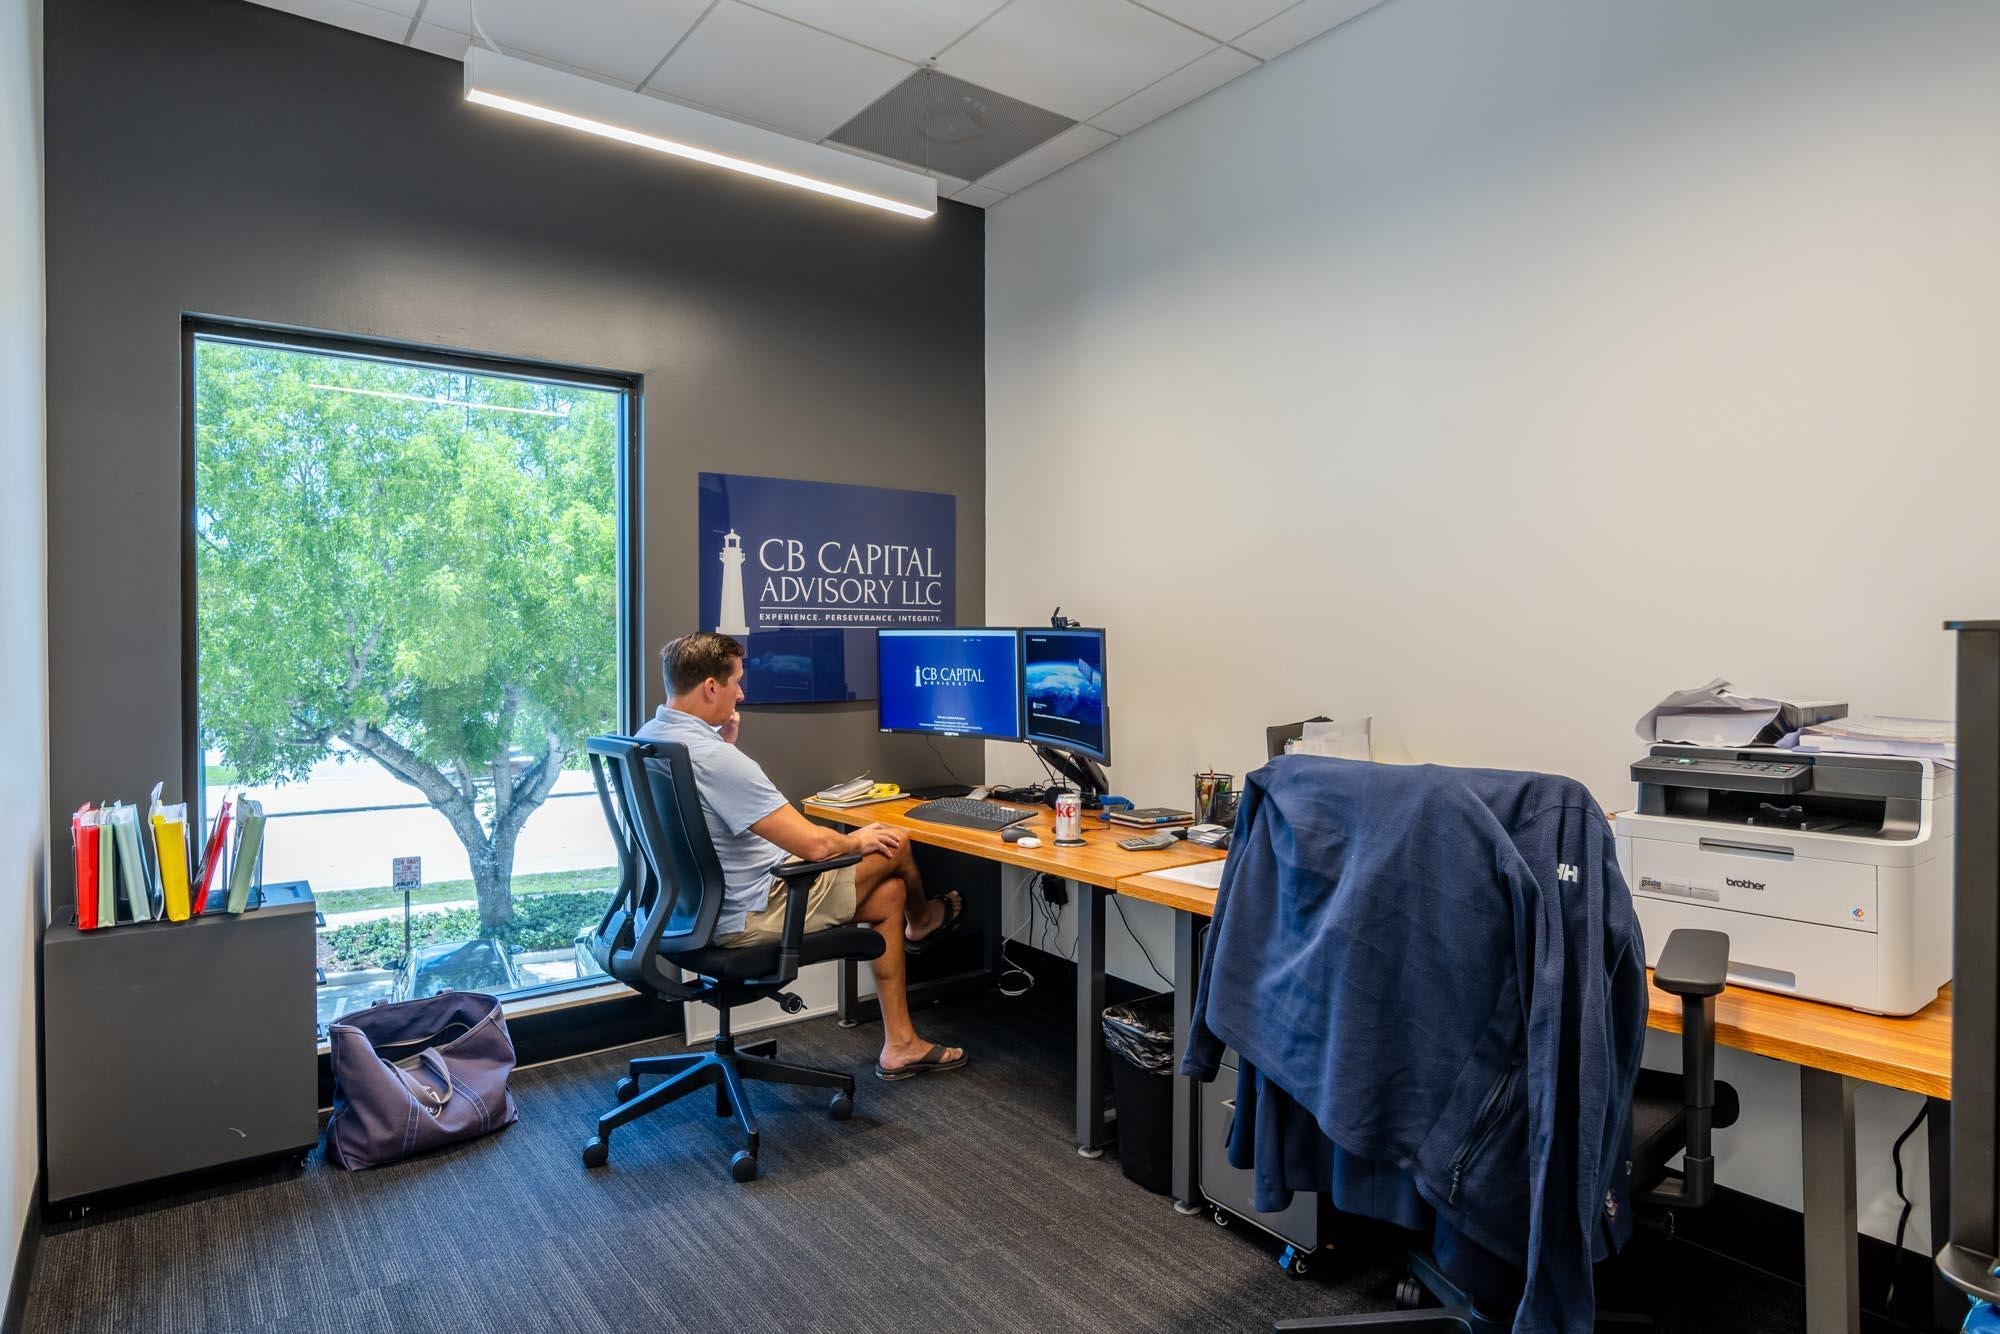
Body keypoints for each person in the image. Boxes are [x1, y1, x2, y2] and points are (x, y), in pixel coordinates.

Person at [637, 632, 967, 1079]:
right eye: (736, 682)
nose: (741, 693)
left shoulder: (651, 740)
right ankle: (924, 921)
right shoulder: (715, 760)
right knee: (895, 843)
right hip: (749, 916)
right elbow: (815, 846)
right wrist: (858, 840)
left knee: (889, 895)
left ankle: (901, 1045)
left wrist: (727, 745)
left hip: (683, 914)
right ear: (710, 687)